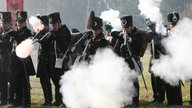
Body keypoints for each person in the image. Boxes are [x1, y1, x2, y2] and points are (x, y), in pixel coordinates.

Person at [111, 15, 147, 107]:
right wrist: (121, 35)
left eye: (127, 27)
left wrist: (129, 39)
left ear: (131, 26)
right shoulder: (121, 35)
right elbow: (113, 33)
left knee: (134, 83)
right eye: (124, 28)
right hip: (123, 64)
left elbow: (137, 44)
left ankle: (135, 103)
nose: (126, 29)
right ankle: (125, 101)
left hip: (132, 62)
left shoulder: (137, 34)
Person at [10, 10, 36, 107]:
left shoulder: (27, 32)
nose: (19, 24)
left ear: (25, 22)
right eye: (18, 22)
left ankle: (26, 103)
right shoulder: (17, 32)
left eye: (21, 22)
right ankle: (17, 101)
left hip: (24, 61)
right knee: (16, 82)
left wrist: (14, 35)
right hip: (16, 60)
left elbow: (22, 41)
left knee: (24, 83)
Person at [48, 12, 71, 107]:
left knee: (62, 81)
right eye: (52, 25)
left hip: (64, 60)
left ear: (59, 23)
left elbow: (60, 37)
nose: (53, 26)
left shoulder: (65, 30)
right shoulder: (55, 32)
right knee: (55, 80)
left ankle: (64, 101)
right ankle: (58, 100)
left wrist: (52, 35)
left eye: (55, 24)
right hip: (55, 61)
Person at [164, 12, 183, 106]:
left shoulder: (182, 33)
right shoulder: (166, 33)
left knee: (176, 81)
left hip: (177, 59)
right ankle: (170, 100)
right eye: (172, 24)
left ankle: (178, 101)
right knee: (167, 81)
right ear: (170, 24)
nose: (174, 26)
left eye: (175, 24)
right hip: (167, 60)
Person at [146, 19, 165, 104]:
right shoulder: (149, 34)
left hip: (159, 58)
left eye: (153, 26)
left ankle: (160, 98)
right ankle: (156, 97)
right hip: (153, 58)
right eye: (151, 26)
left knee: (158, 80)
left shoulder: (159, 35)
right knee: (153, 80)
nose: (152, 28)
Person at [35, 15, 53, 106]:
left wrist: (39, 38)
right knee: (42, 80)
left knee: (46, 80)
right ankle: (47, 99)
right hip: (41, 59)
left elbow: (46, 45)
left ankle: (48, 100)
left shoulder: (48, 33)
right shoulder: (42, 32)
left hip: (46, 59)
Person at [0, 11, 16, 106]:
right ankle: (3, 99)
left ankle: (12, 99)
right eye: (2, 22)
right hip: (1, 59)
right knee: (1, 80)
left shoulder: (11, 33)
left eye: (5, 22)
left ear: (9, 22)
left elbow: (9, 46)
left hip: (8, 60)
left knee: (10, 80)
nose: (3, 24)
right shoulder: (2, 32)